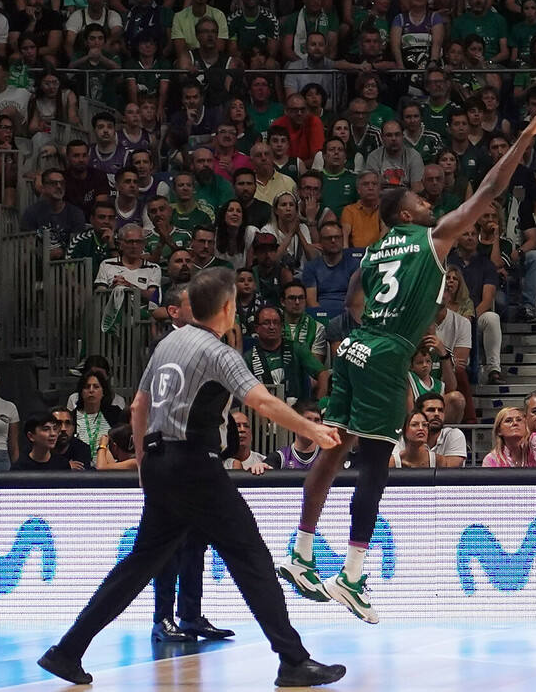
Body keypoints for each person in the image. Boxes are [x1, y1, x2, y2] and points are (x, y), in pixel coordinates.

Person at [277, 96, 536, 622]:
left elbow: (354, 302)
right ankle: (354, 574)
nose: (432, 203)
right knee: (373, 466)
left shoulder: (374, 252)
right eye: (421, 200)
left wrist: (389, 323)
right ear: (405, 213)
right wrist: (526, 137)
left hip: (355, 347)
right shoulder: (431, 239)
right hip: (386, 355)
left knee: (334, 447)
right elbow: (491, 189)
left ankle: (299, 551)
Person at [37, 268, 345, 688]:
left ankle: (66, 651)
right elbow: (260, 401)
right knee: (251, 556)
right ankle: (292, 660)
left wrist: (145, 462)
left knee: (139, 564)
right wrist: (314, 431)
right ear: (226, 308)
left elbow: (139, 405)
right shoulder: (219, 353)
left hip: (163, 463)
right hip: (194, 466)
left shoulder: (169, 341)